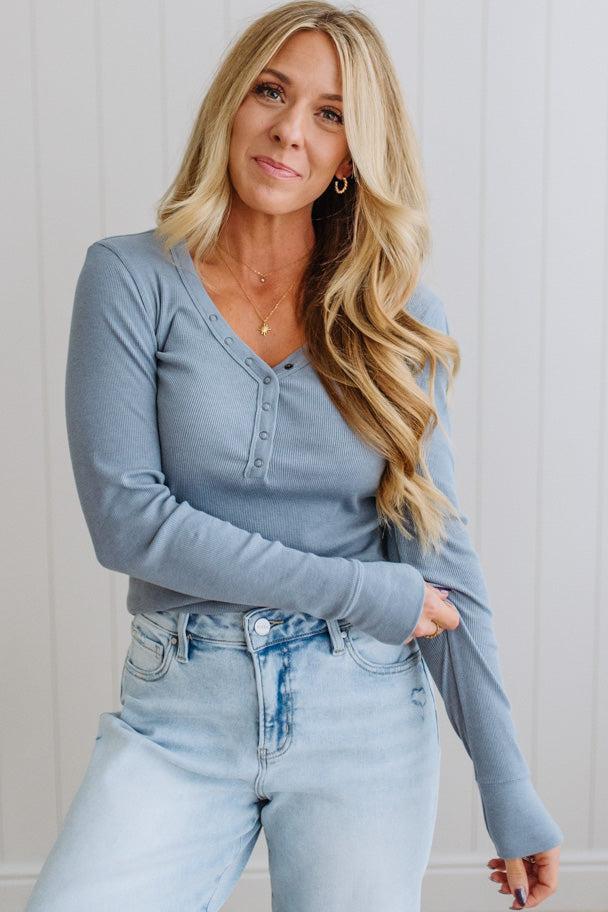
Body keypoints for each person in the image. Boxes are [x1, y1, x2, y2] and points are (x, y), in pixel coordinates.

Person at [25, 2, 563, 910]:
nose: (288, 130)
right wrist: (363, 591)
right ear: (231, 104)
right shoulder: (129, 278)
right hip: (180, 710)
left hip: (364, 712)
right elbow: (129, 523)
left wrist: (508, 786)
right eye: (271, 92)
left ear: (354, 153)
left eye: (330, 113)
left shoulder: (398, 318)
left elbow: (441, 557)